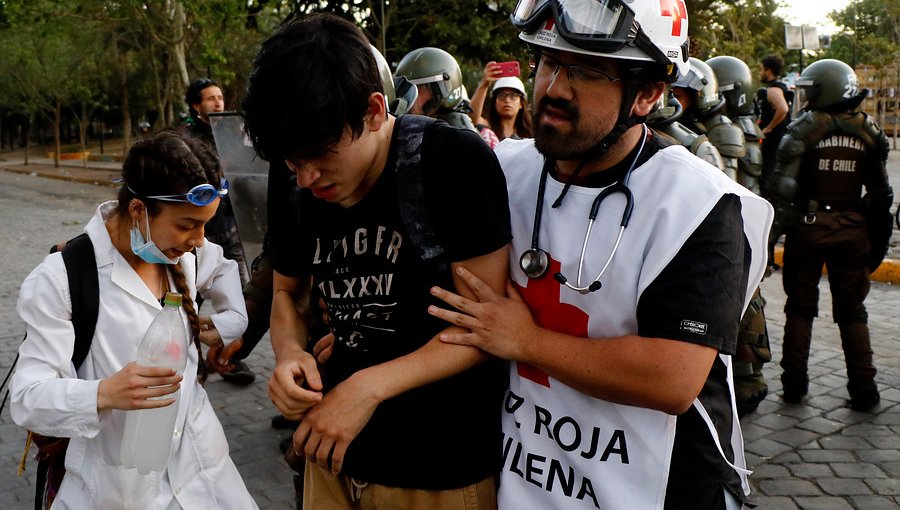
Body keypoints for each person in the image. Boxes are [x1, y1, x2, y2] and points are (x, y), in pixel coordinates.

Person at [427, 0, 773, 508]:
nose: (554, 89)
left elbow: (672, 376)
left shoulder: (699, 203)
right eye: (549, 62)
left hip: (664, 489)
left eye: (587, 71)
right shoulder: (502, 169)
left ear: (649, 93)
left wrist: (525, 339)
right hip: (524, 482)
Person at [240, 13, 511, 509]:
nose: (306, 178)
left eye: (321, 154)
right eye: (291, 162)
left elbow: (488, 329)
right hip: (331, 456)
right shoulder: (296, 173)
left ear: (373, 108)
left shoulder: (451, 162)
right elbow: (288, 291)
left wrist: (366, 388)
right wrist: (287, 354)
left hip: (435, 471)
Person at [10, 129, 256, 509]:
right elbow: (27, 398)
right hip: (118, 492)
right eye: (188, 224)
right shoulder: (63, 279)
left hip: (206, 476)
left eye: (205, 224)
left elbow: (224, 269)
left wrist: (225, 325)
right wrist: (104, 393)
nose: (199, 239)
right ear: (139, 209)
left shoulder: (184, 254)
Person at [766, 59, 893, 412]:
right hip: (852, 230)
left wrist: (768, 241)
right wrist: (876, 244)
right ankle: (865, 388)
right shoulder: (870, 132)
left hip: (808, 229)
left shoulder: (803, 130)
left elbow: (782, 193)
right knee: (853, 310)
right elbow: (882, 196)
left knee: (800, 306)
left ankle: (794, 385)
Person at [707, 54, 772, 415]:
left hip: (735, 226)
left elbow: (732, 189)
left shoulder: (726, 131)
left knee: (741, 303)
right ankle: (749, 377)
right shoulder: (745, 126)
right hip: (749, 226)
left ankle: (745, 379)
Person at [184, 77, 256, 385]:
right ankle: (191, 361)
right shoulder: (186, 137)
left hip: (230, 221)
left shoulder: (233, 130)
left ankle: (232, 358)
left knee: (238, 290)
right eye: (210, 98)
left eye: (220, 96)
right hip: (200, 228)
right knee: (190, 293)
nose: (218, 102)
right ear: (196, 105)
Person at [395, 46, 479, 132]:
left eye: (418, 88)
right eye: (406, 88)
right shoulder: (414, 125)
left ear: (442, 89)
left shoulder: (456, 131)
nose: (410, 95)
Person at [469, 64, 534, 145]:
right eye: (501, 95)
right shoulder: (485, 130)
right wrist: (484, 84)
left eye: (513, 96)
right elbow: (470, 120)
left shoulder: (532, 136)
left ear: (521, 103)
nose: (507, 100)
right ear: (494, 103)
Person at [758, 54, 791, 193]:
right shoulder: (781, 87)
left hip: (773, 140)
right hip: (779, 138)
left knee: (766, 174)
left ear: (768, 71)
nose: (760, 73)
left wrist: (768, 128)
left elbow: (783, 109)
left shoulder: (773, 90)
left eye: (761, 69)